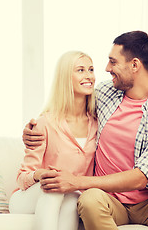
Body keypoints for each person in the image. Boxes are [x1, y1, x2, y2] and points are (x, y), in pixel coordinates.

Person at [23, 31, 148, 230]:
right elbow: (67, 106)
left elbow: (140, 177)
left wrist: (75, 181)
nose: (107, 68)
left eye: (113, 62)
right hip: (108, 201)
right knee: (90, 199)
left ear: (135, 65)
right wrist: (32, 129)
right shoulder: (104, 94)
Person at [9, 51, 98, 230]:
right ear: (65, 78)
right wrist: (40, 174)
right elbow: (22, 177)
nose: (88, 76)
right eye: (80, 70)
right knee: (55, 189)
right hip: (29, 197)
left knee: (72, 198)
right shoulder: (45, 123)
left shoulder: (98, 124)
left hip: (71, 194)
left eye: (91, 69)